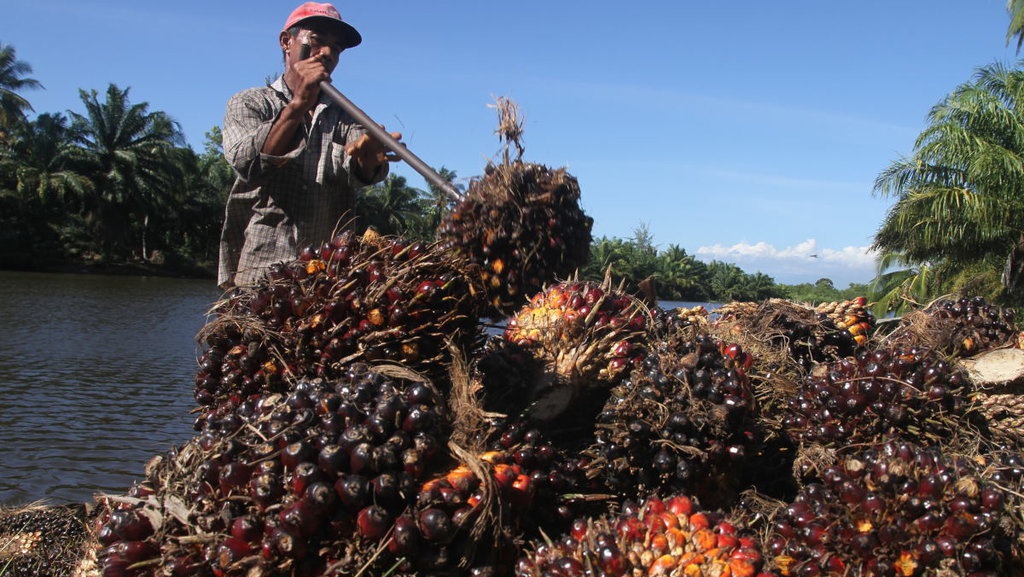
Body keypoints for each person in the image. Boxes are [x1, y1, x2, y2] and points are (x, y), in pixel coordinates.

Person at [218, 2, 401, 289]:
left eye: (336, 48)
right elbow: (247, 164)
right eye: (317, 40)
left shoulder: (346, 117)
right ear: (286, 42)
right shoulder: (250, 103)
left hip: (324, 279)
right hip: (259, 273)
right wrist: (299, 104)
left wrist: (367, 160)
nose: (327, 53)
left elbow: (359, 164)